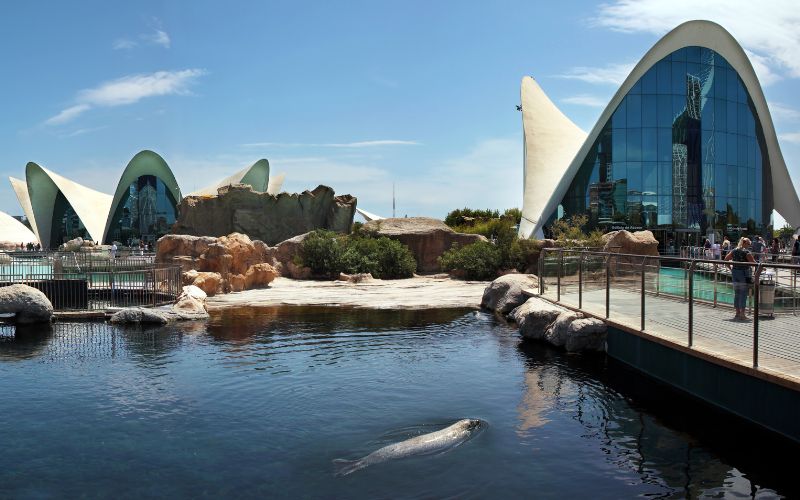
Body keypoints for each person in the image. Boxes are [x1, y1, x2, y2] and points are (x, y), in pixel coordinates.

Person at [725, 237, 757, 321]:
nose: (749, 246)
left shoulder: (734, 250)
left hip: (735, 273)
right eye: (749, 244)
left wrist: (731, 269)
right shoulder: (746, 252)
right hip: (744, 274)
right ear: (745, 243)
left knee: (737, 293)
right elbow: (753, 263)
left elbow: (725, 259)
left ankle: (737, 313)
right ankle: (742, 314)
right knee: (743, 293)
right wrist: (762, 268)